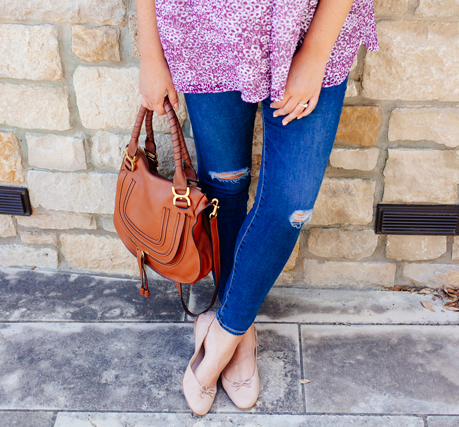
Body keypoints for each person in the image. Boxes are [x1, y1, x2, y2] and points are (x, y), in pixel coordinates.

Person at [136, 0, 379, 416]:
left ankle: (221, 338)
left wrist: (315, 54)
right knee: (224, 189)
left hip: (307, 29)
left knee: (292, 206)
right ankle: (242, 339)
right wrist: (150, 54)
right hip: (205, 31)